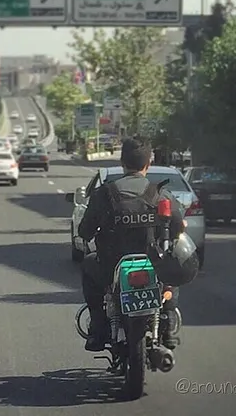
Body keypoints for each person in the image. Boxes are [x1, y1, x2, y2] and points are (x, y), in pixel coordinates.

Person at [78, 136, 186, 352]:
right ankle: (167, 325)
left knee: (88, 266)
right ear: (149, 163)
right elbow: (178, 227)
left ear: (122, 162)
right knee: (172, 273)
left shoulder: (104, 194)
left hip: (111, 267)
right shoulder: (160, 194)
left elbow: (85, 231)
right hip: (154, 264)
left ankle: (98, 328)